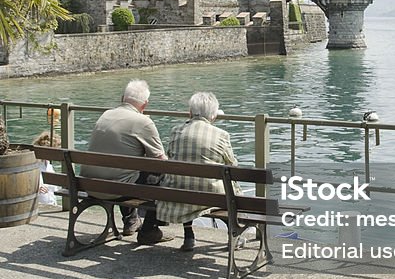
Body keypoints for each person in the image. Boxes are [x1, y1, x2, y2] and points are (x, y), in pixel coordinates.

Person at [157, 91, 251, 252]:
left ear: (190, 113)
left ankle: (188, 236)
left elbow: (171, 156)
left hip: (179, 194)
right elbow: (232, 165)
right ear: (213, 115)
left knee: (187, 181)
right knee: (227, 189)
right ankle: (233, 234)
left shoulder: (176, 131)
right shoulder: (221, 135)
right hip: (212, 197)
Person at [80, 79, 169, 243]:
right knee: (163, 176)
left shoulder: (105, 114)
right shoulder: (143, 122)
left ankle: (131, 221)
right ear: (145, 105)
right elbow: (161, 161)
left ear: (123, 98)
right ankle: (149, 230)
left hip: (89, 185)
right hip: (116, 189)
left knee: (126, 170)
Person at [33, 130, 60, 207]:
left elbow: (55, 188)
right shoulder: (36, 165)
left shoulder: (48, 165)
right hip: (41, 202)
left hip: (50, 201)